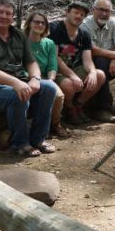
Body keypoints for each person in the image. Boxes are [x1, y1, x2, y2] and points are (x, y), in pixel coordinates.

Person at [0, 0, 57, 157]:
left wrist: (35, 78)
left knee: (49, 88)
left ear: (13, 17)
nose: (4, 16)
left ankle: (38, 139)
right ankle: (20, 143)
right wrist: (15, 82)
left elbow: (31, 63)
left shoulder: (18, 35)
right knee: (17, 94)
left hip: (18, 83)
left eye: (8, 13)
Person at [50, 1, 110, 125]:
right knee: (68, 84)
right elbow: (55, 58)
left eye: (82, 14)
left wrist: (92, 72)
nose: (78, 16)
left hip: (75, 68)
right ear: (67, 13)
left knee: (100, 75)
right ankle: (68, 108)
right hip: (56, 70)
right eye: (75, 12)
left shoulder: (84, 34)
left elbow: (87, 60)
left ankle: (78, 106)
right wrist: (72, 75)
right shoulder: (55, 28)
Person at [24, 10, 70, 138]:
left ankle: (55, 125)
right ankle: (33, 125)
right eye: (36, 22)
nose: (39, 25)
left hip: (45, 78)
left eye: (42, 23)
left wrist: (51, 80)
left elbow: (52, 65)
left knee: (58, 95)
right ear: (29, 24)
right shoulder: (22, 42)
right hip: (26, 78)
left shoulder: (49, 43)